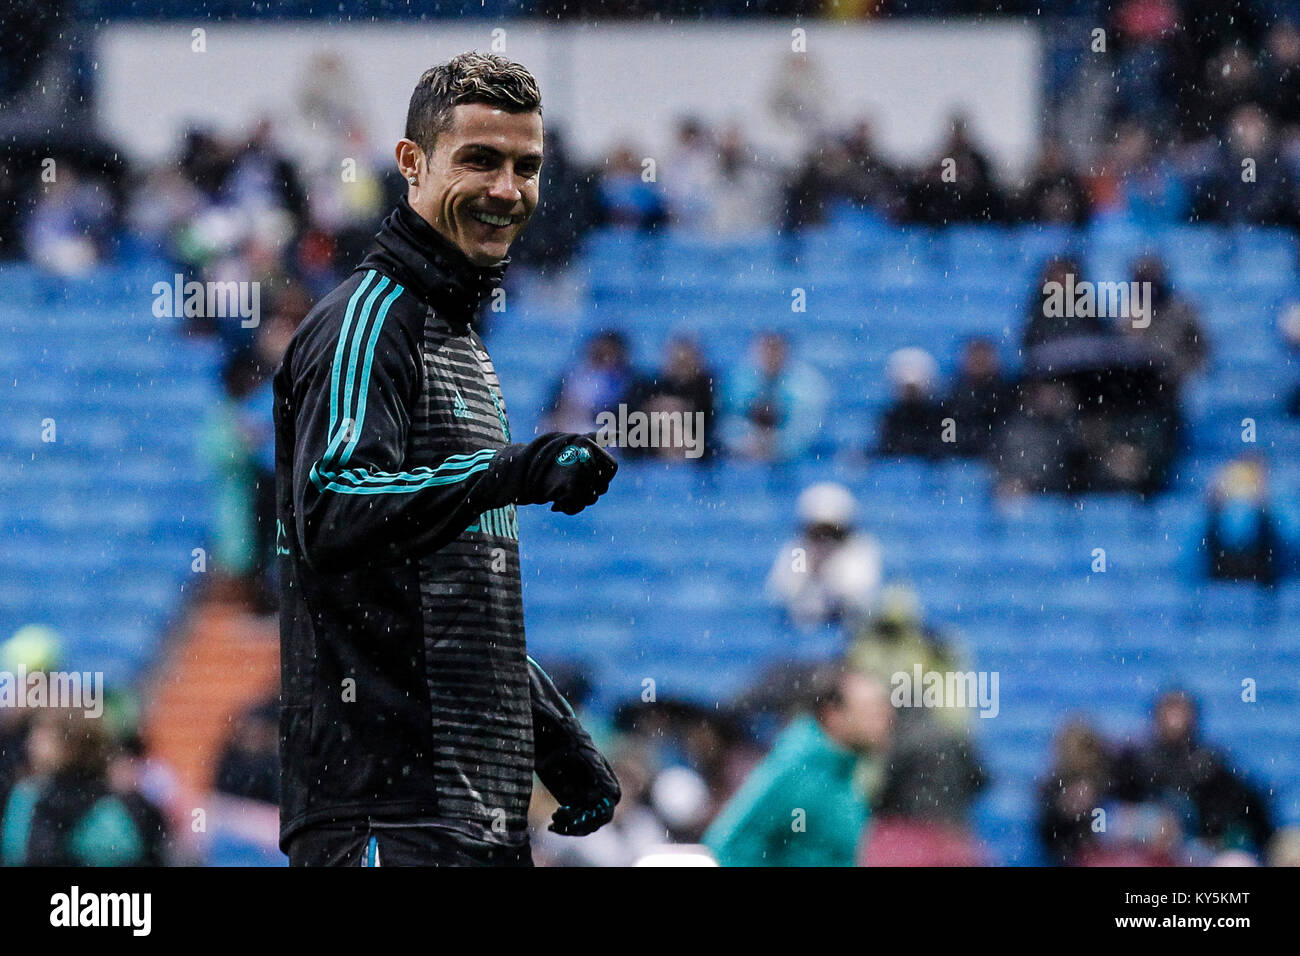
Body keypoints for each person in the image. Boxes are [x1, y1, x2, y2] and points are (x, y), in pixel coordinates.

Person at [274, 53, 621, 868]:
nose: (507, 189)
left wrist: (553, 738)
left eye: (525, 167)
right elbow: (331, 507)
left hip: (469, 816)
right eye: (479, 159)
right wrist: (516, 470)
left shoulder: (457, 336)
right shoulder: (370, 320)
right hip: (384, 815)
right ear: (411, 164)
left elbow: (446, 592)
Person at [703, 667, 892, 867]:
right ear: (833, 715)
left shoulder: (844, 771)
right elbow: (727, 845)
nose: (886, 719)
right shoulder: (798, 771)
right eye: (873, 710)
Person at [767, 482, 883, 633]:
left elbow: (860, 594)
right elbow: (786, 590)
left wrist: (830, 571)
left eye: (831, 530)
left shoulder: (858, 548)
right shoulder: (800, 550)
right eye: (818, 530)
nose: (824, 537)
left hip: (848, 627)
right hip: (805, 626)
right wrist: (811, 568)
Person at [722, 331, 829, 462]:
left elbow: (807, 428)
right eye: (766, 351)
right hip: (743, 455)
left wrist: (777, 445)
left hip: (793, 458)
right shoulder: (739, 381)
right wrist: (745, 442)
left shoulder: (806, 385)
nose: (771, 357)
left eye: (775, 350)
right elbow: (727, 420)